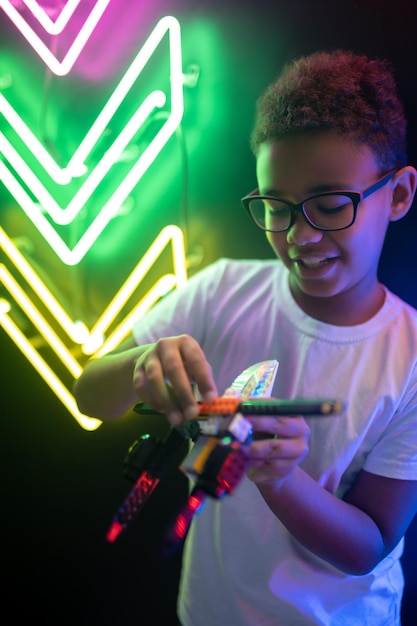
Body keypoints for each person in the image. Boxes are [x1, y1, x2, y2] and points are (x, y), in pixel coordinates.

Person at [73, 50, 417, 625]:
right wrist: (139, 365)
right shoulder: (220, 290)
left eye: (331, 205)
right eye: (275, 208)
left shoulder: (407, 355)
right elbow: (88, 395)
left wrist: (281, 479)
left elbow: (369, 544)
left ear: (399, 195)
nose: (299, 236)